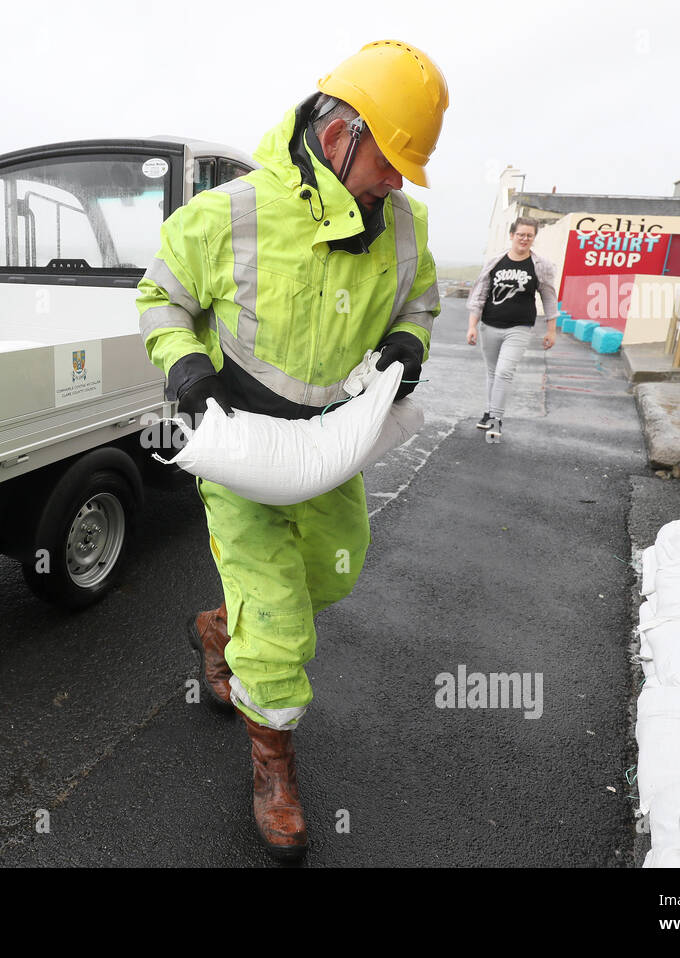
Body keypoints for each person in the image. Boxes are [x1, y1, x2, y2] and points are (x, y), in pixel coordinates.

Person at [135, 40, 448, 861]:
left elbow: (420, 304)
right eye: (391, 160)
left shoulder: (403, 228)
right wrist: (186, 366)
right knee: (278, 618)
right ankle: (274, 767)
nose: (397, 181)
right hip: (239, 447)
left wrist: (410, 346)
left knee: (333, 573)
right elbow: (158, 296)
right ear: (342, 132)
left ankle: (217, 628)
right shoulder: (228, 214)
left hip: (324, 445)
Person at [465, 216, 558, 442]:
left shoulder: (539, 266)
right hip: (489, 326)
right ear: (512, 235)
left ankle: (496, 420)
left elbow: (549, 296)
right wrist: (472, 326)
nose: (524, 239)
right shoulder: (496, 263)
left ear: (533, 238)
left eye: (529, 235)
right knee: (492, 373)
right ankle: (489, 412)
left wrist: (551, 329)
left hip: (519, 328)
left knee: (504, 372)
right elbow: (480, 295)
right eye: (521, 234)